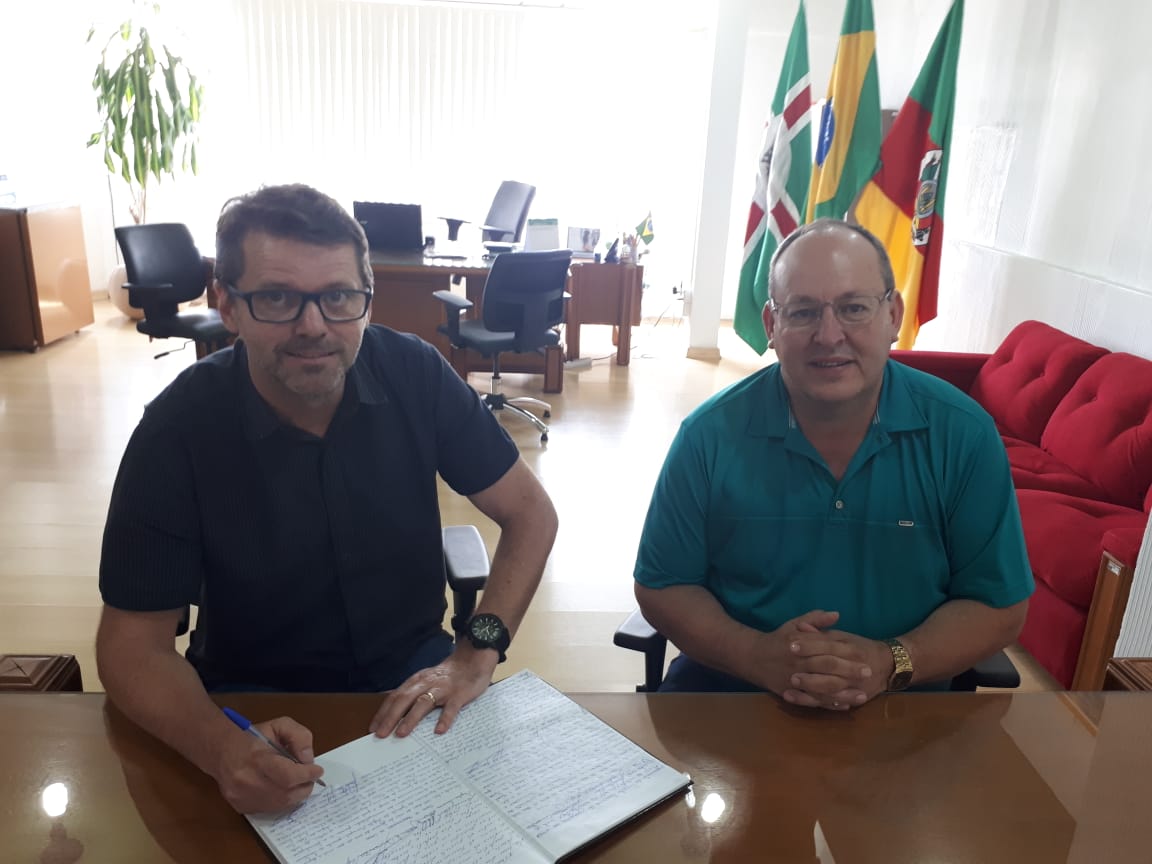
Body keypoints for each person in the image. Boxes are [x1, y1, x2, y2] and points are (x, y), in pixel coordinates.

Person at [97, 184, 558, 813]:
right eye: (277, 298)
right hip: (251, 698)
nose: (313, 327)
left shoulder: (417, 375)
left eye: (338, 297)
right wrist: (220, 749)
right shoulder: (177, 431)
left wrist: (477, 652)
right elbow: (130, 647)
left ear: (367, 300)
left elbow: (530, 514)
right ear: (227, 305)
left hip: (416, 679)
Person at [633, 219, 1032, 706]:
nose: (829, 335)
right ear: (771, 326)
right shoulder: (708, 437)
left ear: (893, 315)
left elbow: (998, 605)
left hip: (906, 705)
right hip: (733, 694)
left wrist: (890, 662)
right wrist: (755, 656)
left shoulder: (964, 436)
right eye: (802, 312)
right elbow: (663, 586)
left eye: (854, 308)